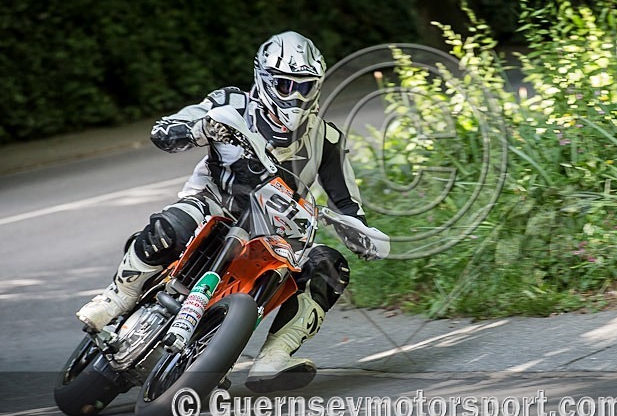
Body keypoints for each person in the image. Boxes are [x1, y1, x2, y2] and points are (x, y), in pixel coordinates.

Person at [76, 30, 387, 392]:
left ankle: (275, 356)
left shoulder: (327, 138)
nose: (295, 96)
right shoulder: (230, 102)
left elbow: (349, 205)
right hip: (215, 202)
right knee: (174, 224)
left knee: (330, 266)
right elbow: (165, 130)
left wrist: (361, 233)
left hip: (277, 231)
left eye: (305, 87)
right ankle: (118, 296)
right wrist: (199, 128)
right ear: (264, 79)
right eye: (285, 85)